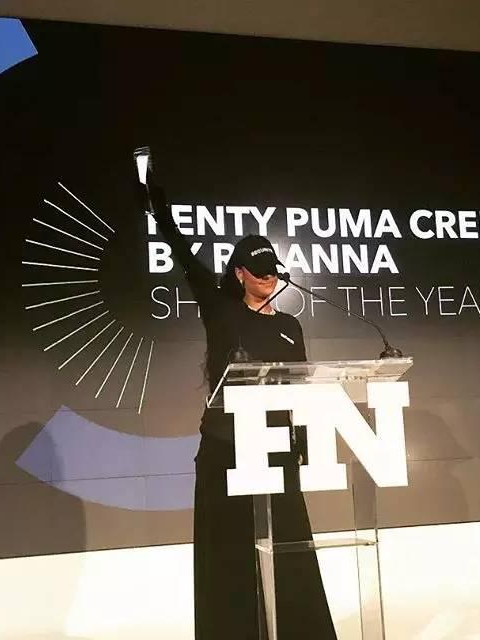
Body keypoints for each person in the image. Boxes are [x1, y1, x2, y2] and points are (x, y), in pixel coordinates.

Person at [142, 165, 338, 640]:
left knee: (288, 550)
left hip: (276, 451)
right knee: (228, 556)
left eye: (272, 268)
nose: (268, 276)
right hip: (226, 450)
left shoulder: (289, 325)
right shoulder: (221, 310)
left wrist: (305, 445)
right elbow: (185, 257)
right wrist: (158, 209)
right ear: (240, 273)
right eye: (258, 269)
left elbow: (300, 388)